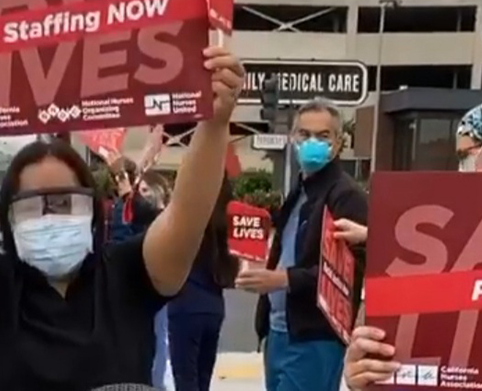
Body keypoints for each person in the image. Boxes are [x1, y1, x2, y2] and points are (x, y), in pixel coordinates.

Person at [0, 46, 244, 390]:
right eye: (32, 205)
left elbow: (186, 214)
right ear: (8, 218)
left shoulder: (131, 274)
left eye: (65, 202)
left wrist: (215, 122)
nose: (50, 216)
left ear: (93, 210)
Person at [344, 98, 482, 390]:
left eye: (465, 154)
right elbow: (375, 330)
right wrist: (359, 370)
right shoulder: (434, 226)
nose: (462, 167)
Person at [235, 97, 369, 391]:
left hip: (315, 336)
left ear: (339, 143)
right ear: (292, 139)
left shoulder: (346, 196)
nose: (312, 142)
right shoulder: (298, 191)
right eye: (304, 134)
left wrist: (281, 279)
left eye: (323, 136)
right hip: (279, 331)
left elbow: (344, 275)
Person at [169, 175, 239, 391]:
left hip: (185, 304)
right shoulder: (228, 219)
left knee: (185, 378)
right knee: (203, 378)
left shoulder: (190, 215)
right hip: (214, 305)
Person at [137, 170, 174, 390]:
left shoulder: (165, 218)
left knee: (159, 339)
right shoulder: (144, 217)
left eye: (144, 190)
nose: (141, 197)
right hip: (145, 285)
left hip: (159, 286)